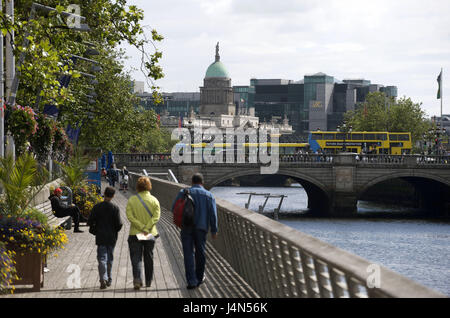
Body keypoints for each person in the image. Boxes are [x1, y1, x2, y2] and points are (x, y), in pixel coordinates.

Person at [172, 173, 218, 289]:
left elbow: (174, 208)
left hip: (186, 227)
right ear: (202, 183)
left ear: (192, 182)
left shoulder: (184, 192)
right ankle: (199, 277)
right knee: (200, 253)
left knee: (188, 254)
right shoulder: (209, 195)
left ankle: (191, 281)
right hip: (201, 228)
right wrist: (214, 230)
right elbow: (213, 215)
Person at [126, 176, 161, 290]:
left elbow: (130, 216)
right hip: (149, 233)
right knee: (149, 257)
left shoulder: (132, 200)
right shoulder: (154, 200)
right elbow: (156, 217)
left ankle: (137, 279)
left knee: (136, 258)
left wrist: (140, 227)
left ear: (138, 187)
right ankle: (148, 281)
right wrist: (147, 228)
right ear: (149, 186)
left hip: (135, 233)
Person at [88, 187, 123, 289]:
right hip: (111, 237)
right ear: (113, 196)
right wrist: (114, 231)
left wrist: (95, 230)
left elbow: (90, 221)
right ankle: (109, 278)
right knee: (110, 258)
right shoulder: (115, 208)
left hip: (100, 236)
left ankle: (103, 278)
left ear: (104, 194)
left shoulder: (97, 207)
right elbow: (119, 224)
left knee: (102, 258)